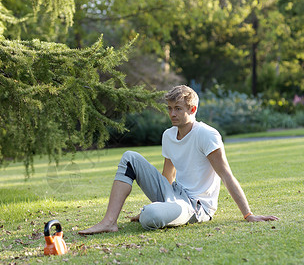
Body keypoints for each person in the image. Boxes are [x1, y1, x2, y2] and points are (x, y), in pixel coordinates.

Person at [79, 85, 278, 235]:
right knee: (129, 157)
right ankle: (109, 221)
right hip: (174, 193)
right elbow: (168, 175)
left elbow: (226, 175)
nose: (172, 114)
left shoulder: (207, 135)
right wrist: (164, 202)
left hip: (195, 206)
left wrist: (248, 214)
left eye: (178, 109)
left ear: (192, 110)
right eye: (170, 108)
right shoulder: (168, 135)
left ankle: (156, 211)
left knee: (150, 216)